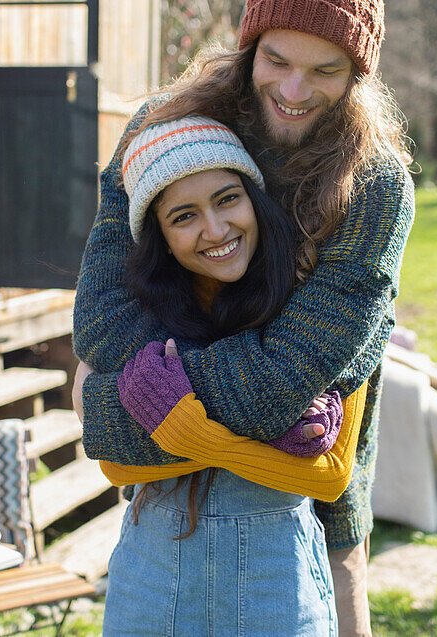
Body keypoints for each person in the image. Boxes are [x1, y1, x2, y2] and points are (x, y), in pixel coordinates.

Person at [73, 0, 415, 635]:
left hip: (317, 470)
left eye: (325, 70)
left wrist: (116, 406)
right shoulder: (163, 128)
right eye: (277, 59)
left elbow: (284, 377)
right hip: (175, 492)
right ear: (248, 44)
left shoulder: (376, 182)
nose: (294, 91)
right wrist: (133, 397)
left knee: (336, 571)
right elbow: (104, 316)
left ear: (358, 76)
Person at [93, 115, 369, 634]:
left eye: (227, 199)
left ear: (254, 199)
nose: (215, 230)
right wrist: (267, 436)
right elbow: (116, 463)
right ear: (161, 237)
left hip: (276, 580)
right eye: (183, 216)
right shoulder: (136, 323)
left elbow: (330, 476)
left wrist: (187, 428)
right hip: (154, 577)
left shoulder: (315, 309)